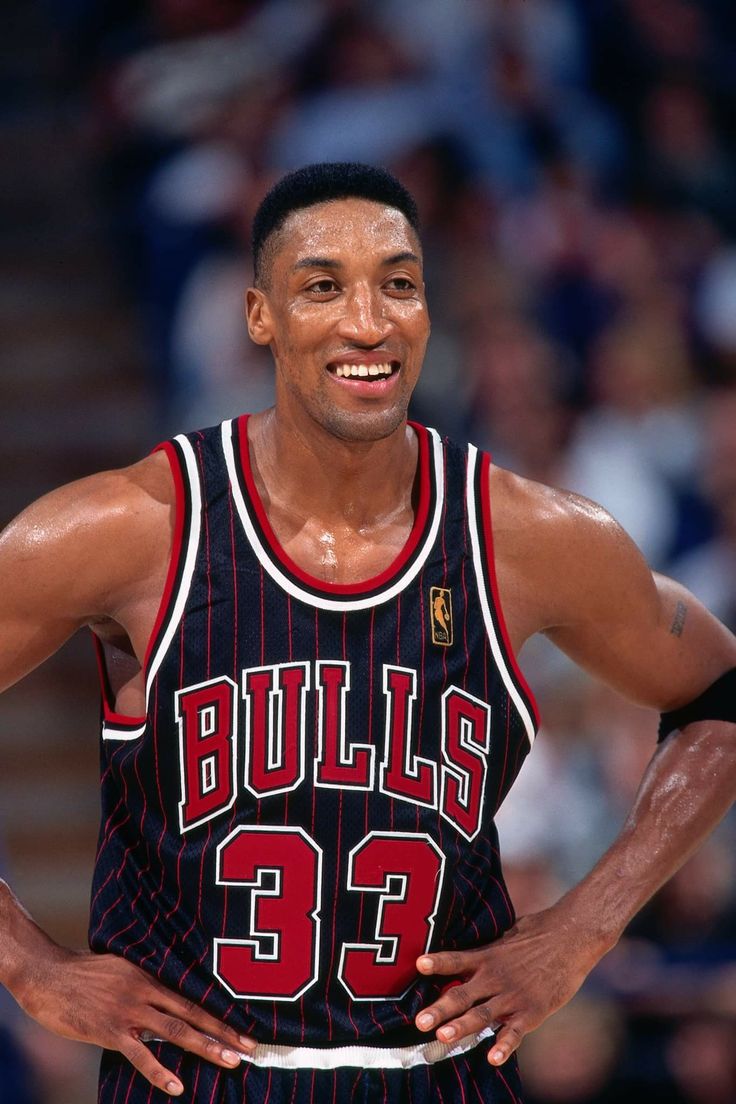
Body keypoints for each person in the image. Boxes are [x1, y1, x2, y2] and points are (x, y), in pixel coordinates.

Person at [0, 162, 734, 1104]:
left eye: (398, 284)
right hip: (200, 1080)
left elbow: (719, 694)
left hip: (439, 1075)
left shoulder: (528, 538)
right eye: (323, 287)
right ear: (260, 316)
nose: (368, 322)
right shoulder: (136, 528)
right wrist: (30, 965)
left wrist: (584, 927)